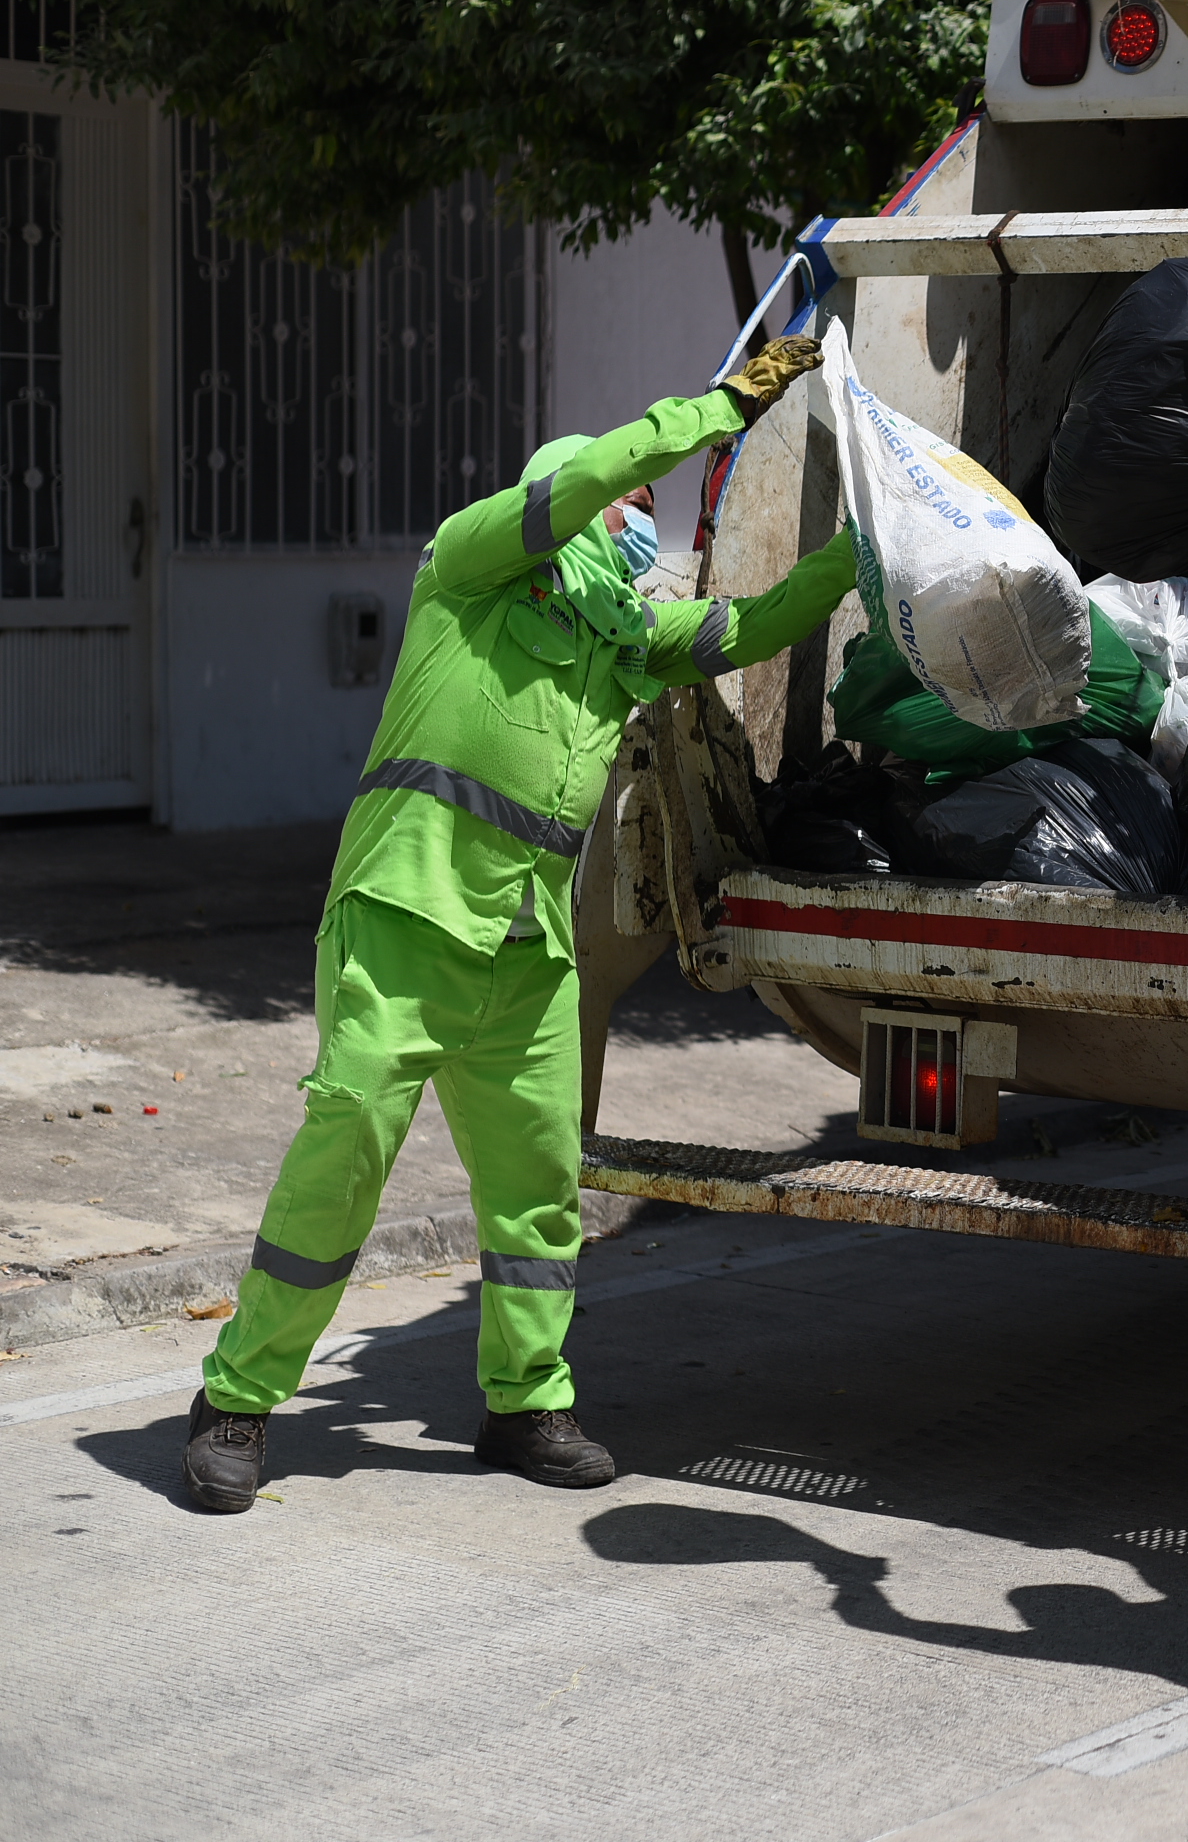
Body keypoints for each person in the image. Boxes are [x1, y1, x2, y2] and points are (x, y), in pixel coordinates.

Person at [184, 338, 849, 1514]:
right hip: (404, 913)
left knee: (541, 1187)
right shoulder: (472, 563)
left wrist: (858, 557)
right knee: (341, 1161)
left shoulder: (622, 640)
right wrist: (705, 413)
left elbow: (748, 629)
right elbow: (580, 484)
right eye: (631, 497)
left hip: (525, 948)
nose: (645, 511)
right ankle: (236, 1397)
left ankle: (525, 1400)